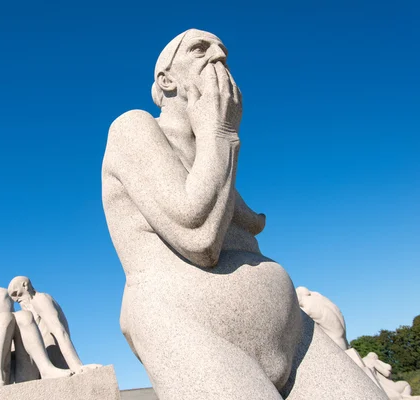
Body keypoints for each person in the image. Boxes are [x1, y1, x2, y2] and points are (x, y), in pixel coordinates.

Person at [102, 29, 386, 399]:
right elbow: (197, 234)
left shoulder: (211, 156)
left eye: (223, 52)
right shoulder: (133, 128)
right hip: (188, 325)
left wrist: (215, 143)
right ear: (166, 79)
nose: (218, 57)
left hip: (292, 334)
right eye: (200, 50)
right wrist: (220, 132)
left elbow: (248, 221)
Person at [7, 276, 101, 373]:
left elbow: (59, 331)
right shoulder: (32, 306)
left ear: (25, 285)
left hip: (55, 360)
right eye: (12, 297)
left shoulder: (39, 299)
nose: (15, 299)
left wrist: (77, 366)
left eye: (16, 293)